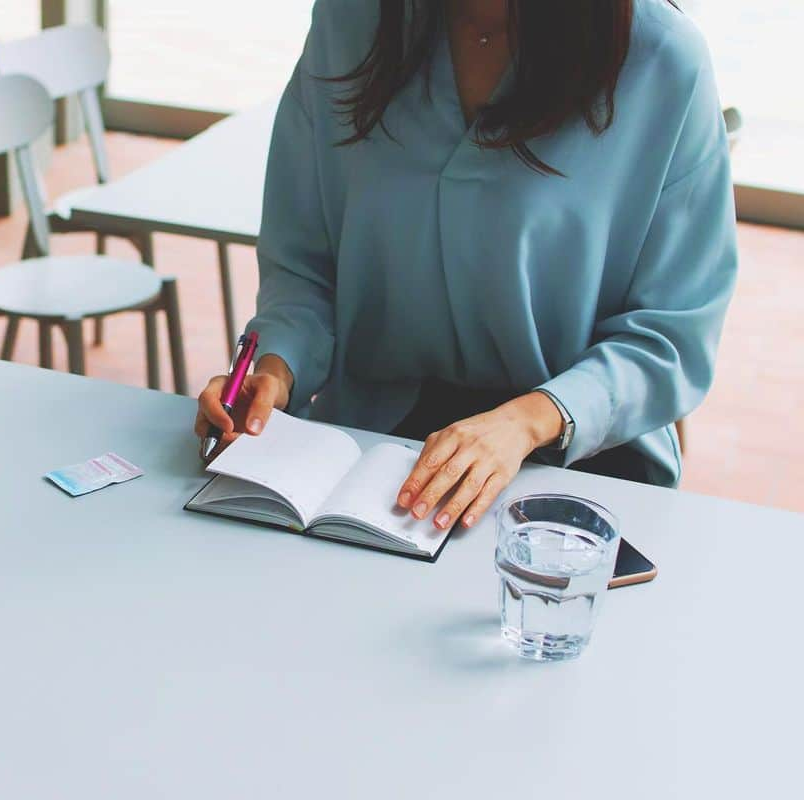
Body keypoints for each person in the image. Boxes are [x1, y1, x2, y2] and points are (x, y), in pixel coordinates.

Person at [195, 0, 738, 533]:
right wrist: (274, 369)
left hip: (575, 454)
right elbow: (304, 266)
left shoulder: (661, 57)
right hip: (370, 446)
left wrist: (527, 420)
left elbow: (673, 333)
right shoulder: (349, 18)